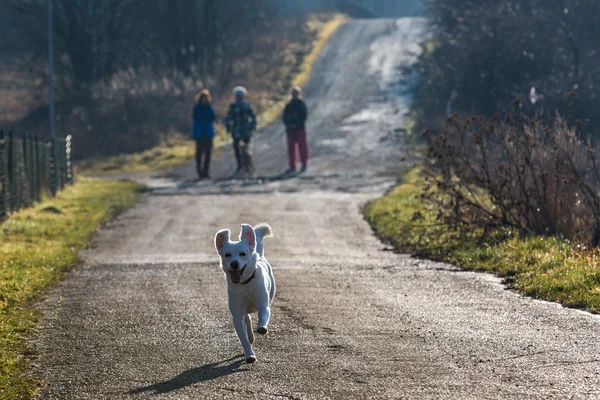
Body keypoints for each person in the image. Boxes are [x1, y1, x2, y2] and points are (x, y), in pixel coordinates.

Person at [225, 86, 257, 176]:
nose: (238, 96)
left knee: (247, 150)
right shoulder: (233, 106)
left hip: (245, 130)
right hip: (236, 131)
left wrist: (252, 126)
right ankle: (240, 167)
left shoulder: (247, 105)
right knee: (237, 150)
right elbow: (228, 118)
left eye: (240, 95)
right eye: (237, 95)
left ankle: (249, 167)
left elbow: (253, 117)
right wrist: (228, 127)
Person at [282, 86, 309, 174]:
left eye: (296, 93)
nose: (294, 95)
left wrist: (296, 124)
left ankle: (304, 164)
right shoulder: (289, 105)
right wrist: (288, 124)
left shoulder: (301, 104)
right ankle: (292, 166)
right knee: (291, 149)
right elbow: (284, 117)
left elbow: (303, 116)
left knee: (302, 148)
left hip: (299, 129)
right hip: (290, 130)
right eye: (293, 93)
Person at [192, 89, 216, 179]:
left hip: (208, 133)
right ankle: (199, 171)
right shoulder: (196, 108)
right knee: (199, 154)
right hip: (199, 134)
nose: (204, 100)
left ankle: (206, 172)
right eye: (203, 98)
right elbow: (196, 119)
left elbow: (213, 119)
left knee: (208, 154)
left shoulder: (210, 108)